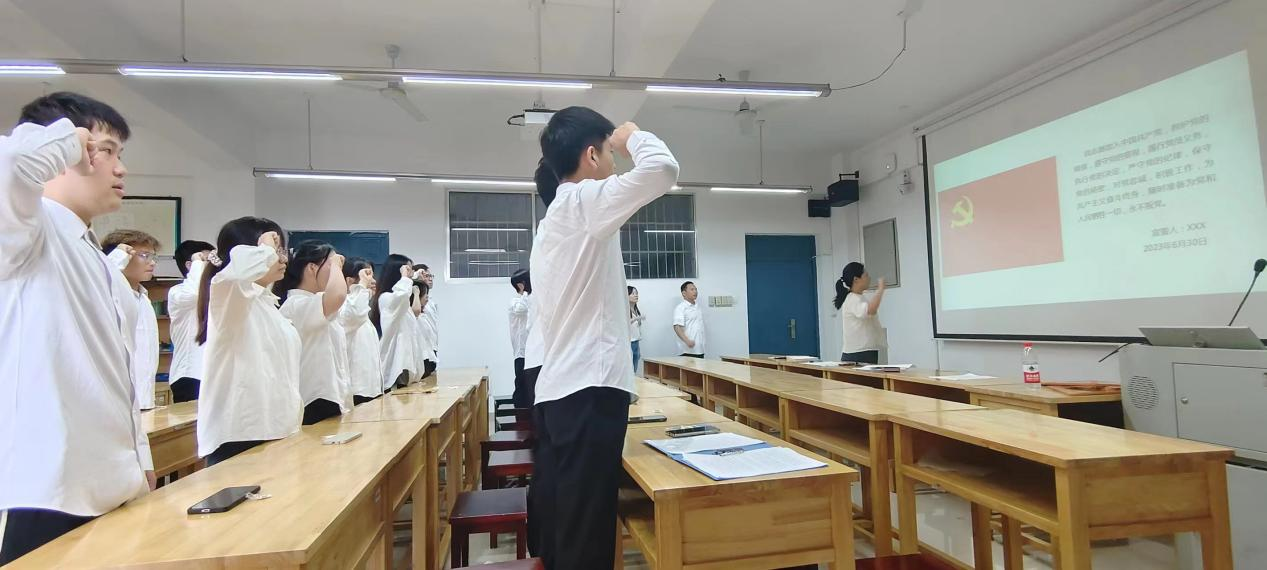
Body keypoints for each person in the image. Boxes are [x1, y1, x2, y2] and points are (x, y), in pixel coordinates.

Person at [0, 92, 155, 564]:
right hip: (52, 490)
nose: (120, 168)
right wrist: (69, 138)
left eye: (120, 153)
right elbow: (11, 162)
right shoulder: (29, 229)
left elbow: (117, 376)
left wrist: (140, 460)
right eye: (104, 151)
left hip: (109, 483)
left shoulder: (98, 259)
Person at [528, 107, 679, 569]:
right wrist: (633, 136)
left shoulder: (557, 218)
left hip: (565, 389)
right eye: (609, 152)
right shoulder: (583, 200)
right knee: (587, 535)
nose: (615, 161)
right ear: (592, 155)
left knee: (570, 525)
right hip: (588, 389)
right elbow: (663, 169)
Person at [195, 217, 302, 466]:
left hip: (275, 429)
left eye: (281, 250)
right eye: (275, 250)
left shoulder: (265, 303)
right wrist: (265, 248)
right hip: (240, 435)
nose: (282, 259)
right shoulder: (228, 293)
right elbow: (236, 274)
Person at [276, 241, 352, 425]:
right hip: (313, 400)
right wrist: (336, 264)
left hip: (329, 397)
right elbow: (338, 295)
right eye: (330, 265)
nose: (336, 271)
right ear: (312, 267)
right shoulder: (296, 304)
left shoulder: (314, 303)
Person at [101, 229, 163, 410]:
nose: (152, 262)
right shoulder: (108, 294)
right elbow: (101, 280)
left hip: (144, 398)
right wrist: (116, 257)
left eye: (153, 256)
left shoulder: (144, 299)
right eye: (144, 256)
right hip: (117, 401)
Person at [167, 239, 214, 402]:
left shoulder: (216, 291)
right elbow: (195, 293)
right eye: (207, 260)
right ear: (190, 266)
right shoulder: (178, 292)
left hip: (212, 375)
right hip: (190, 375)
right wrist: (197, 262)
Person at [371, 254, 420, 390]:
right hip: (396, 362)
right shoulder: (386, 298)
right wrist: (404, 277)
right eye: (407, 270)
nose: (410, 274)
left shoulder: (402, 303)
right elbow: (402, 295)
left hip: (405, 360)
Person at [339, 258, 384, 405]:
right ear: (349, 281)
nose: (373, 281)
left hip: (371, 388)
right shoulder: (344, 306)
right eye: (367, 275)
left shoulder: (362, 310)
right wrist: (362, 286)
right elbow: (354, 313)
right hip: (357, 390)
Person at [832, 262, 886, 364]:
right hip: (858, 354)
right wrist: (880, 290)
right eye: (866, 275)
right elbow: (870, 310)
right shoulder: (852, 298)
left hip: (864, 352)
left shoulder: (858, 297)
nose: (869, 278)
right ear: (856, 279)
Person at [509, 270, 532, 407]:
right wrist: (524, 292)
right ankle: (520, 415)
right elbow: (520, 309)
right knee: (521, 385)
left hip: (533, 352)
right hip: (521, 352)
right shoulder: (515, 301)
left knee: (531, 386)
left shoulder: (530, 299)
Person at [416, 263, 439, 377]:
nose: (430, 279)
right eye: (426, 275)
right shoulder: (415, 301)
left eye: (431, 276)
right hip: (422, 349)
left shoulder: (430, 301)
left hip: (432, 346)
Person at [673, 281, 706, 358]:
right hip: (687, 351)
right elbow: (677, 327)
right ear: (684, 293)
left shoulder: (698, 307)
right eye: (692, 289)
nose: (695, 292)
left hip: (700, 349)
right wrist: (687, 341)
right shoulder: (680, 308)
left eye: (696, 289)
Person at [412, 278, 434, 380]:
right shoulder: (412, 315)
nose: (427, 298)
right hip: (420, 358)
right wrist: (416, 293)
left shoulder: (422, 315)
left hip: (427, 356)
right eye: (425, 295)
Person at [628, 286, 645, 371]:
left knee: (635, 368)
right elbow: (624, 324)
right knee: (629, 368)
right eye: (633, 293)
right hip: (629, 342)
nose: (636, 295)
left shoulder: (636, 310)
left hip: (636, 342)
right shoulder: (624, 309)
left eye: (636, 293)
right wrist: (636, 319)